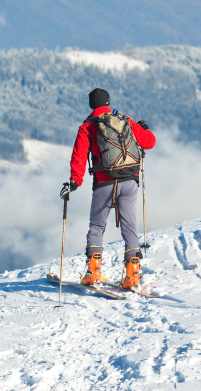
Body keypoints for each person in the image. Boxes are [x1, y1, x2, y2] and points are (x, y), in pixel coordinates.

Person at [62, 88, 156, 289]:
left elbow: (78, 156)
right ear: (108, 101)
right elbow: (149, 142)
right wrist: (145, 129)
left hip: (104, 182)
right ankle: (132, 274)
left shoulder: (87, 127)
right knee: (129, 226)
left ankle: (93, 271)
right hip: (130, 180)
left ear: (91, 105)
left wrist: (74, 182)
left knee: (97, 226)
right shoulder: (124, 120)